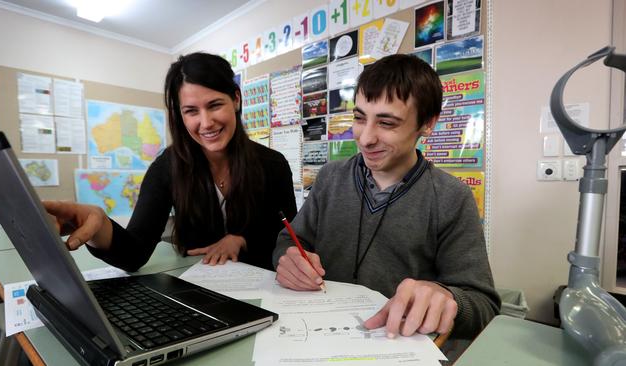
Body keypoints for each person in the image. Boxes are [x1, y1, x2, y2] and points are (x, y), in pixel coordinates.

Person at [273, 54, 500, 339]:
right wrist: (289, 257)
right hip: (315, 333)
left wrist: (445, 296)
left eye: (387, 123)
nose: (365, 138)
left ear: (427, 124)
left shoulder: (451, 197)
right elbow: (291, 240)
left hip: (396, 343)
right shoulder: (330, 177)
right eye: (358, 118)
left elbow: (484, 305)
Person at [45, 52, 297, 272]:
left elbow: (291, 239)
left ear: (236, 99)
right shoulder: (167, 167)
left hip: (265, 289)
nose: (206, 122)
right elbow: (134, 253)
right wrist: (99, 224)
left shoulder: (273, 165)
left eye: (215, 105)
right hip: (199, 292)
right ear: (180, 115)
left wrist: (241, 239)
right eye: (191, 111)